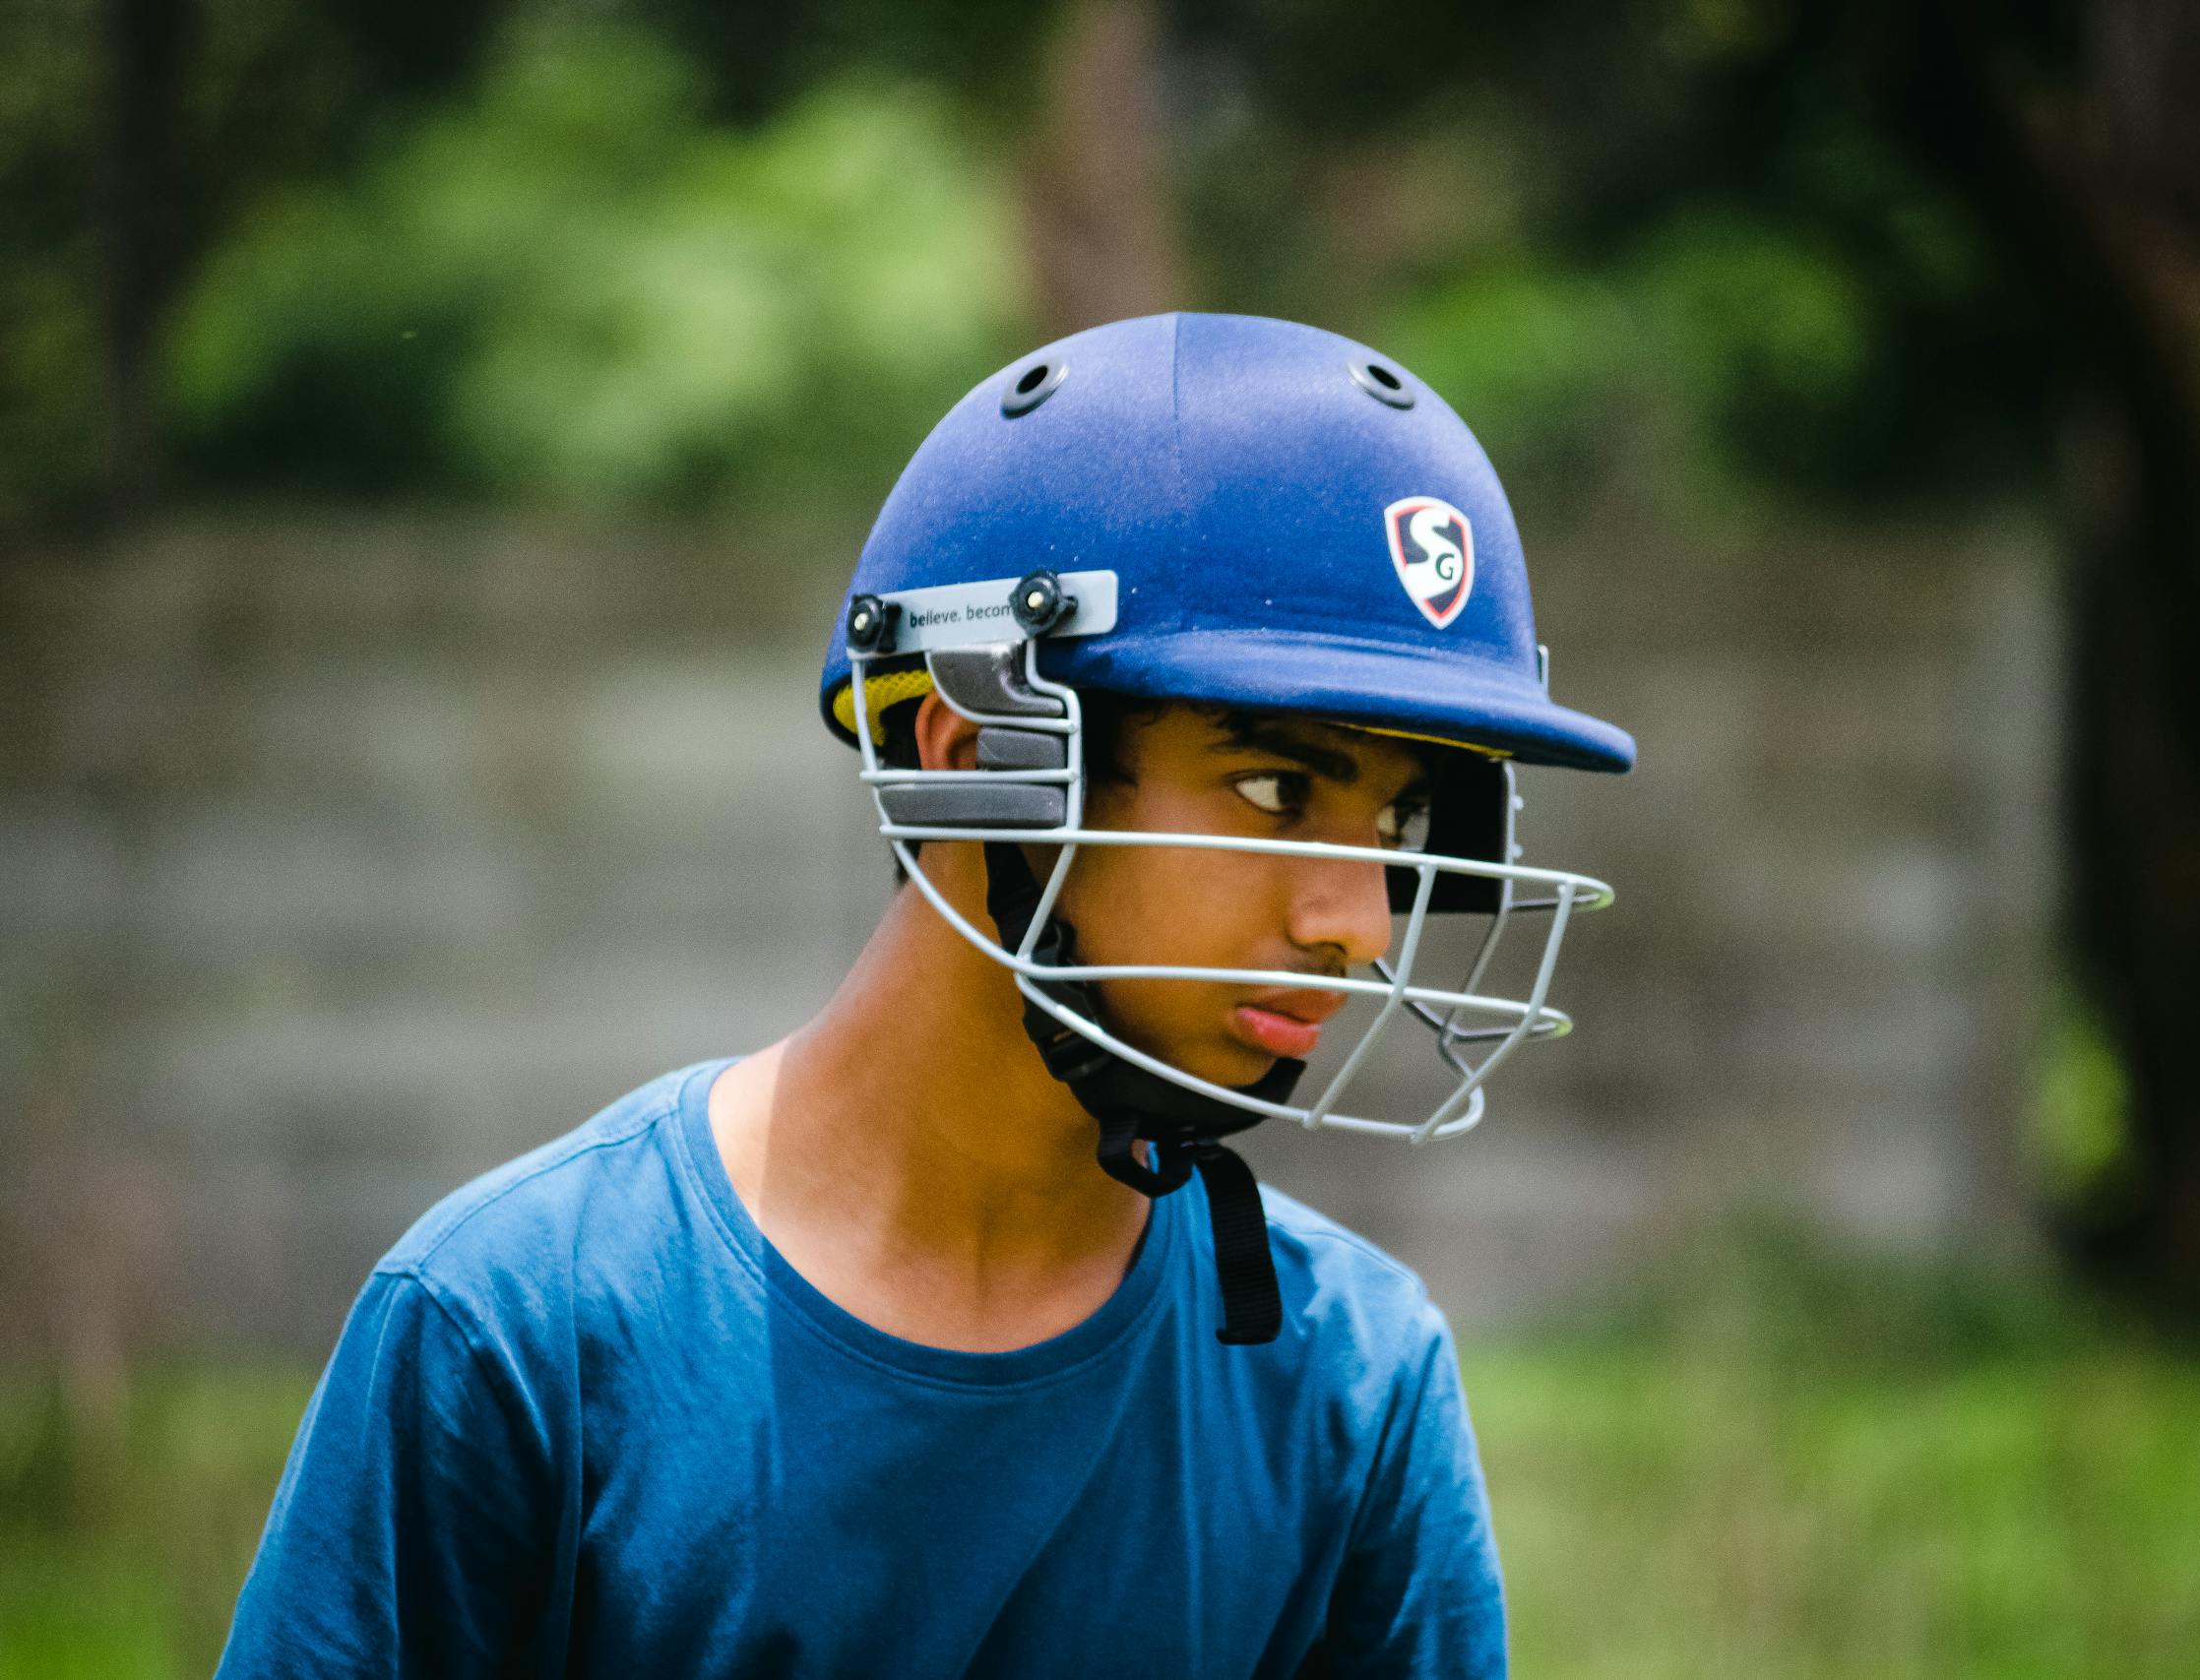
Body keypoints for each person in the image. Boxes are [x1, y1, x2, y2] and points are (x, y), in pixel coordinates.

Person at [214, 312, 1634, 1677]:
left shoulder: (1352, 1384)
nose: (1360, 924)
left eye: (1394, 826)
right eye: (1274, 788)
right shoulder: (518, 1329)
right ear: (972, 749)